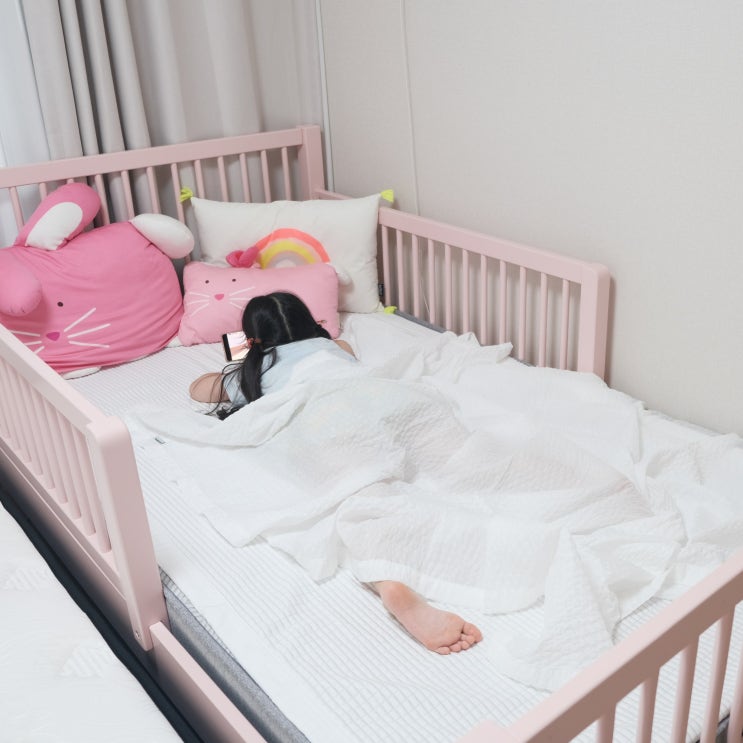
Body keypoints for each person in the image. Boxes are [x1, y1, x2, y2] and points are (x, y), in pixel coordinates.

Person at [190, 291, 482, 654]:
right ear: (309, 323)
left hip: (321, 421)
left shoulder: (256, 368)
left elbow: (198, 388)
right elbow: (341, 352)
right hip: (379, 401)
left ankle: (387, 577)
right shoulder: (335, 347)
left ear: (253, 339)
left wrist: (246, 355)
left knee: (357, 490)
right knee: (432, 456)